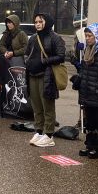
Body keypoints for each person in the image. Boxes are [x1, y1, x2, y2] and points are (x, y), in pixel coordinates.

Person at [71, 23, 98, 159]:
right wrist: (79, 79)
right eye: (86, 35)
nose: (87, 38)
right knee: (89, 121)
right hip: (87, 93)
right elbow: (84, 70)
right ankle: (90, 145)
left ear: (97, 36)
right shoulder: (88, 50)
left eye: (90, 36)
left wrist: (97, 85)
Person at [25, 13, 65, 147]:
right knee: (36, 105)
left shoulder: (55, 37)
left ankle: (49, 134)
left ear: (46, 22)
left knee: (47, 105)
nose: (37, 24)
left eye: (40, 21)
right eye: (35, 21)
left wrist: (44, 61)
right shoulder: (33, 38)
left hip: (47, 75)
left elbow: (61, 56)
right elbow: (27, 53)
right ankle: (39, 131)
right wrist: (29, 63)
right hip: (32, 75)